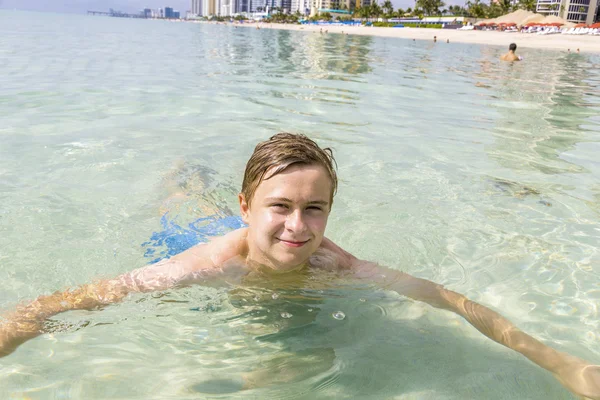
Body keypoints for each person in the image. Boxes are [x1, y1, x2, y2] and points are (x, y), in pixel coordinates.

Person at [1, 133, 599, 398]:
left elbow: (450, 300)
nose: (298, 226)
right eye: (280, 206)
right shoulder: (202, 266)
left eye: (315, 209)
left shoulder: (338, 267)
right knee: (181, 206)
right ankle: (184, 178)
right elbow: (92, 295)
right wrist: (16, 327)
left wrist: (558, 361)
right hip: (192, 238)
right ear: (248, 207)